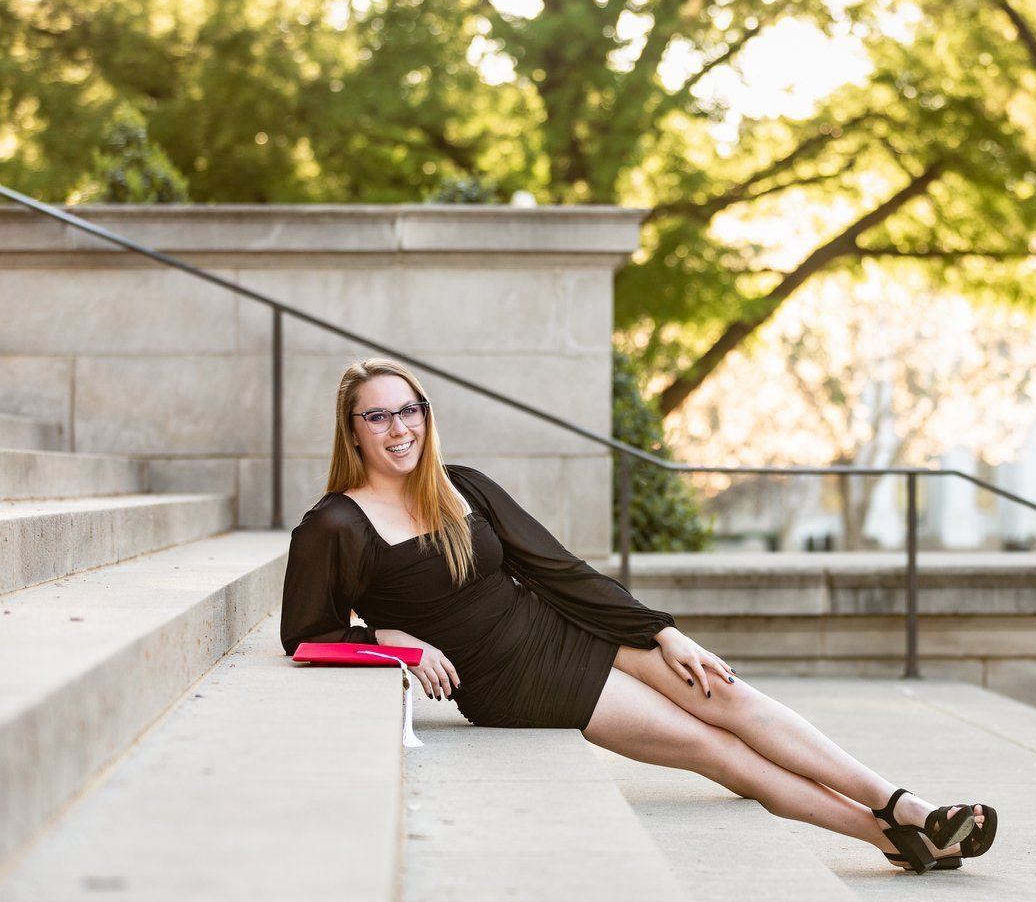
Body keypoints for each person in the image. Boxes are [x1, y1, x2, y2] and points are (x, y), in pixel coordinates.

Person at [280, 358, 996, 874]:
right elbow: (304, 637)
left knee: (730, 697)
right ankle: (888, 838)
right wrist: (388, 640)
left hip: (562, 625)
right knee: (718, 749)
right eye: (378, 415)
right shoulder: (334, 525)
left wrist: (661, 631)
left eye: (409, 410)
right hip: (516, 679)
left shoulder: (460, 486)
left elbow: (557, 569)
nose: (398, 428)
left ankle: (906, 805)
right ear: (352, 429)